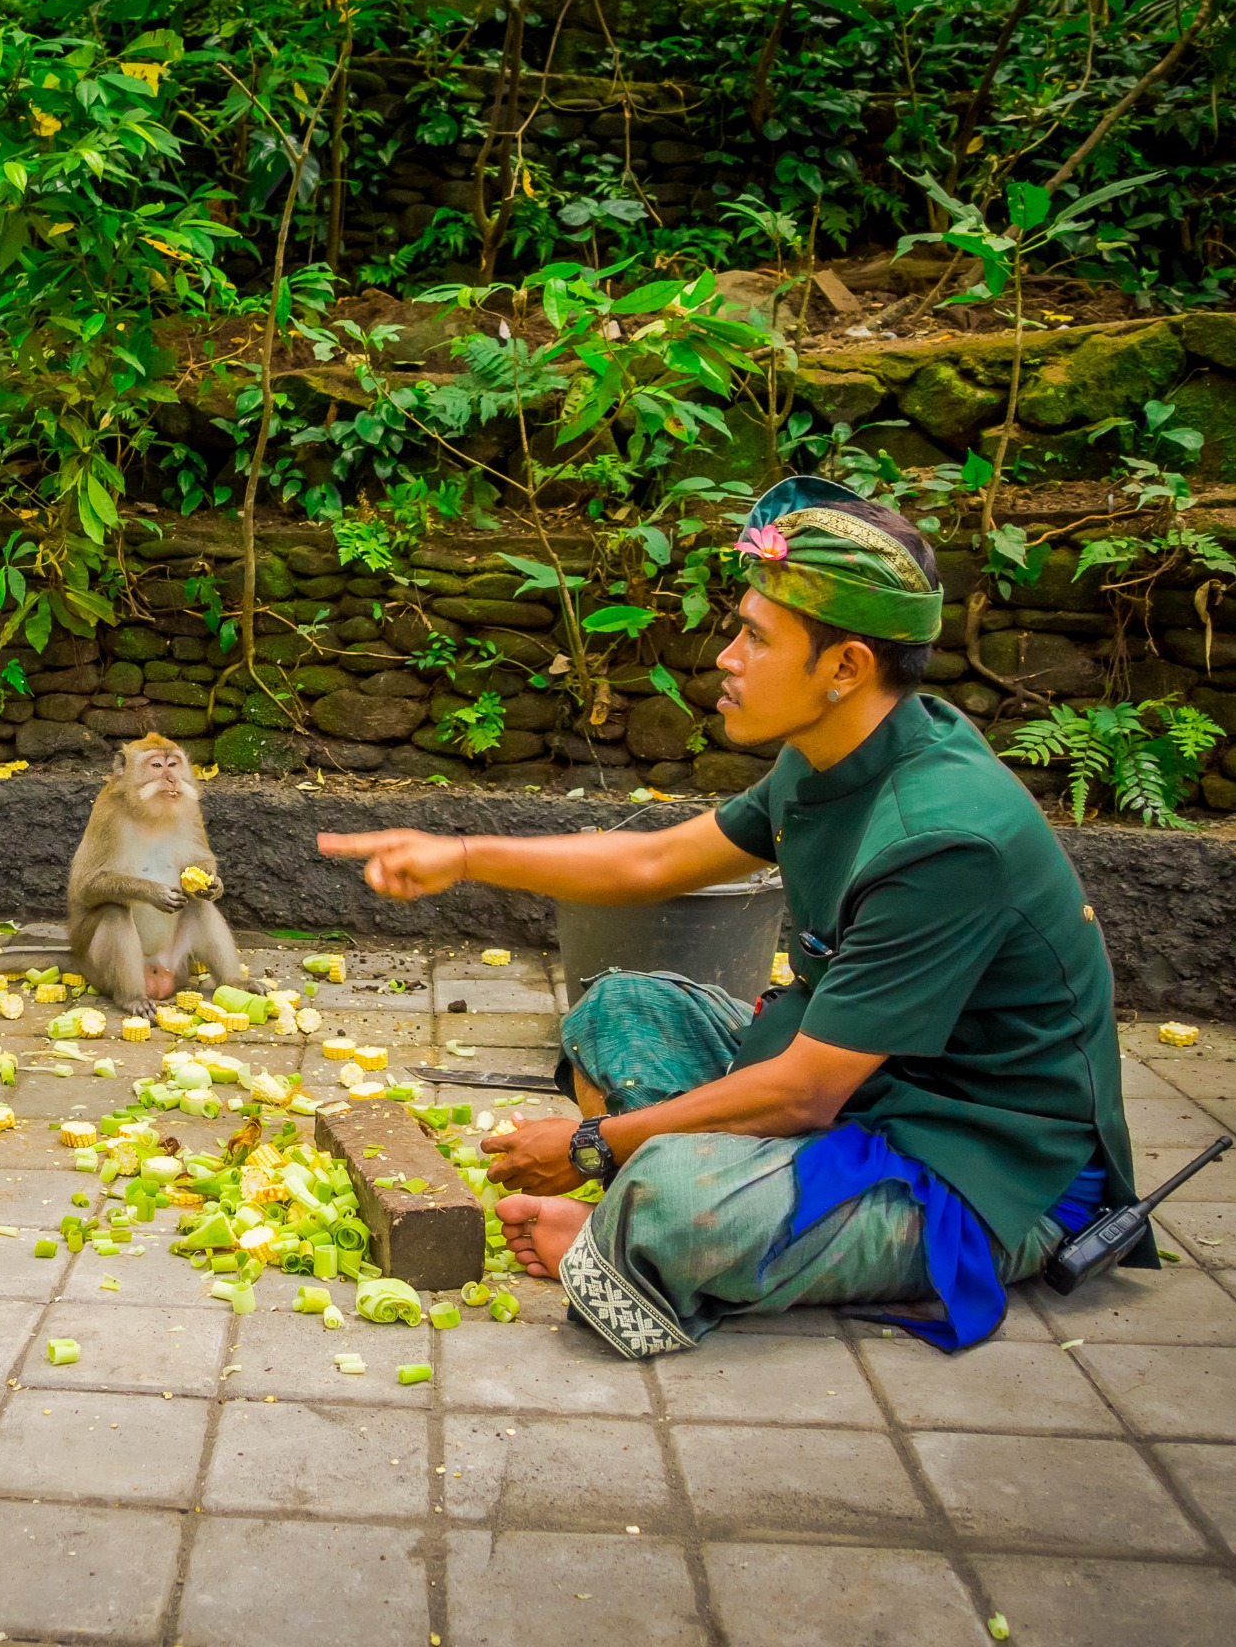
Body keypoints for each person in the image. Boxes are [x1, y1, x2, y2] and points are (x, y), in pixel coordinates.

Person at [317, 476, 1143, 1356]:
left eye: (754, 636)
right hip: (863, 1083)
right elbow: (654, 860)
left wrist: (595, 1146)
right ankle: (646, 1192)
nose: (726, 657)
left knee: (671, 1199)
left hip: (984, 1167)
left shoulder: (943, 838)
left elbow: (805, 1090)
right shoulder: (833, 751)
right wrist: (465, 854)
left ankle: (632, 1224)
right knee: (621, 1007)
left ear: (845, 668)